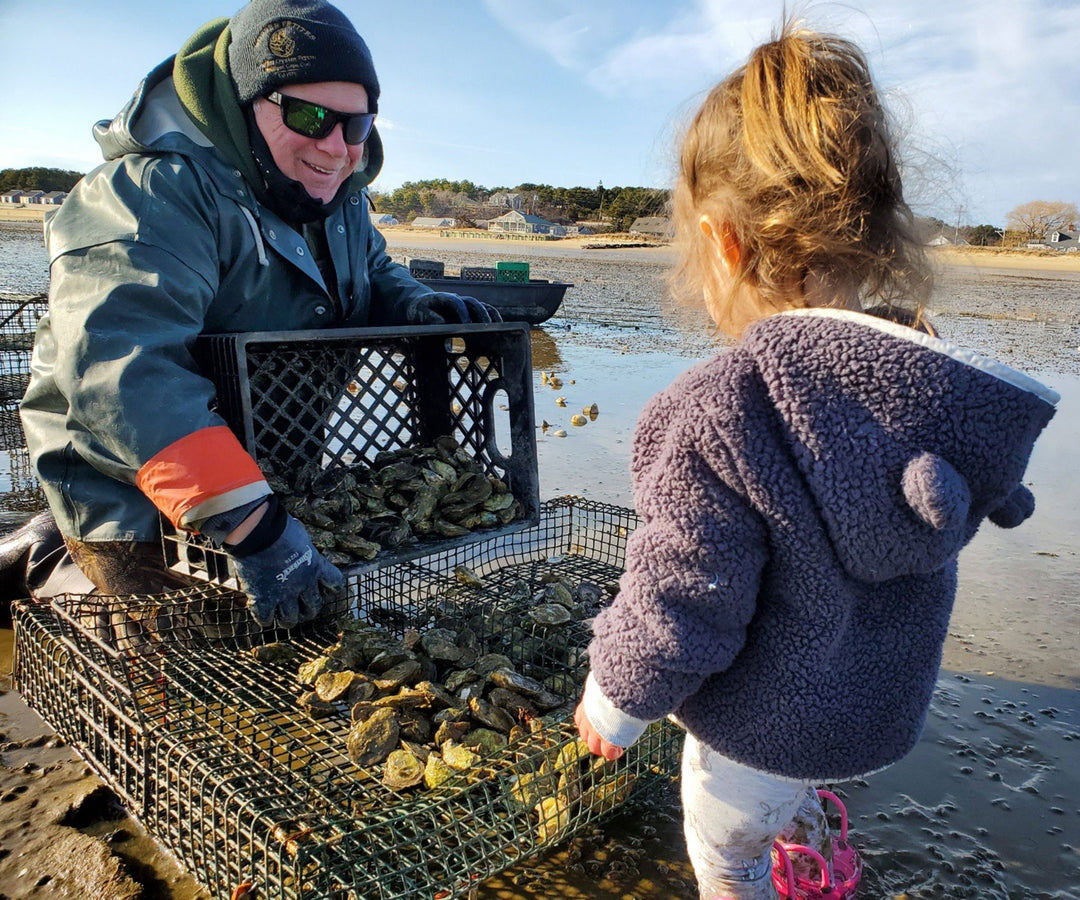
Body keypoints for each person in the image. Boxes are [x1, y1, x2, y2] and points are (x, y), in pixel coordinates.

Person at [573, 21, 1058, 900]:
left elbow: (684, 594)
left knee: (726, 854)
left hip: (758, 729)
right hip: (863, 712)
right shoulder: (924, 383)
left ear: (724, 242)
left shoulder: (726, 410)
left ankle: (766, 866)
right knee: (782, 795)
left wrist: (616, 700)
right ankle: (807, 832)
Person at [15, 0, 497, 627]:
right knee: (170, 668)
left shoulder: (339, 198)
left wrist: (413, 300)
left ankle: (42, 552)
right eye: (309, 114)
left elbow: (372, 269)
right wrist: (256, 526)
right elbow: (121, 374)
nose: (336, 146)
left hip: (269, 478)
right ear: (246, 104)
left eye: (356, 126)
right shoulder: (151, 193)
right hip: (134, 498)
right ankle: (46, 562)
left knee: (272, 640)